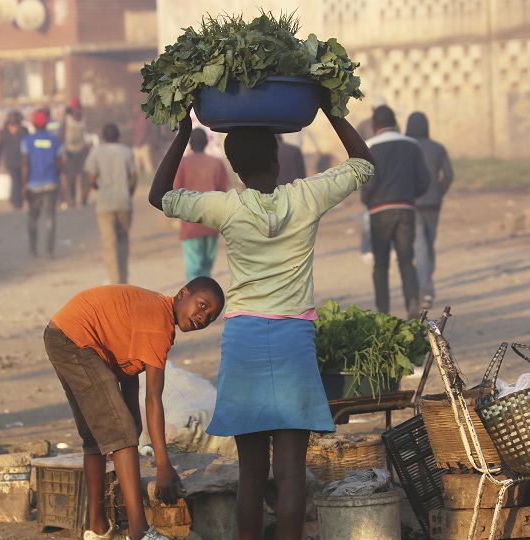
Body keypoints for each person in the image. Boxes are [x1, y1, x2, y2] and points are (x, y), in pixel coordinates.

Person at [149, 98, 375, 540]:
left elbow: (159, 196)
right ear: (277, 157)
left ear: (234, 167)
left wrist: (182, 133)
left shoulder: (227, 208)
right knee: (290, 474)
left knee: (251, 475)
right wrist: (331, 111)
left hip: (245, 343)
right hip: (293, 341)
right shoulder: (307, 196)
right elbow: (365, 164)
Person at [45, 277, 225, 540]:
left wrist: (135, 428)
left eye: (210, 317)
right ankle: (140, 533)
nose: (203, 317)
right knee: (122, 433)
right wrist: (163, 466)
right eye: (201, 305)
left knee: (98, 438)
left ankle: (96, 529)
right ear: (182, 293)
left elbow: (127, 373)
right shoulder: (158, 324)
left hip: (62, 334)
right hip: (76, 338)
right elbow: (153, 398)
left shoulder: (154, 312)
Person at [361, 105, 430, 319]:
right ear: (396, 123)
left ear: (374, 125)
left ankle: (383, 311)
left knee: (381, 263)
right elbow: (424, 180)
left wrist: (368, 200)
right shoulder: (412, 146)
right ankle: (412, 302)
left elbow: (367, 183)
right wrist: (410, 196)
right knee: (406, 260)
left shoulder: (369, 147)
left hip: (379, 211)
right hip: (406, 208)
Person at [406, 111, 454, 310]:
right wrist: (438, 192)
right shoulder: (437, 148)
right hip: (433, 203)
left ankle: (425, 290)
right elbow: (448, 175)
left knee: (420, 247)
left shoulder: (407, 147)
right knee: (429, 246)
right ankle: (426, 286)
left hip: (412, 202)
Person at [173, 127, 231, 280]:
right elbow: (223, 192)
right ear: (206, 143)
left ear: (190, 144)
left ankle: (196, 299)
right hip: (211, 222)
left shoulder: (182, 164)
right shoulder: (216, 163)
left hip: (190, 223)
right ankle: (208, 299)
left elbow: (175, 192)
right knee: (206, 268)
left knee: (194, 268)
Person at [84, 123, 136, 285]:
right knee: (123, 241)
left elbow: (91, 179)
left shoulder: (96, 153)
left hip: (105, 204)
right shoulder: (127, 152)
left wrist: (97, 187)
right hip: (123, 202)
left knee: (109, 244)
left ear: (103, 137)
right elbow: (133, 177)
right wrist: (128, 193)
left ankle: (115, 281)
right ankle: (124, 278)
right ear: (118, 136)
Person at [21, 110, 64, 259]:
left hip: (33, 184)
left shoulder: (27, 141)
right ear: (47, 124)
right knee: (50, 218)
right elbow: (60, 163)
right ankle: (49, 251)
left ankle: (33, 250)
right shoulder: (55, 141)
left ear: (33, 123)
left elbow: (26, 164)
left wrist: (24, 184)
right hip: (51, 183)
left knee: (33, 218)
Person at [355, 95, 388, 263]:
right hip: (369, 172)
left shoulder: (392, 125)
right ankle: (367, 249)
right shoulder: (364, 126)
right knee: (368, 216)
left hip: (387, 173)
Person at [0, 110, 29, 210]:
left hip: (22, 160)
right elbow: (0, 147)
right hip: (10, 161)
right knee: (15, 180)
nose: (12, 119)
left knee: (20, 181)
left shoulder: (23, 130)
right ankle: (16, 201)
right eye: (10, 117)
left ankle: (17, 200)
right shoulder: (4, 131)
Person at [62, 98, 91, 207]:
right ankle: (72, 199)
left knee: (84, 176)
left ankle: (83, 199)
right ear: (72, 110)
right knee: (71, 177)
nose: (78, 111)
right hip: (70, 151)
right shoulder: (67, 120)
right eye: (75, 109)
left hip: (81, 150)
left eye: (79, 109)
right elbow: (62, 134)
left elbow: (87, 134)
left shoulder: (84, 119)